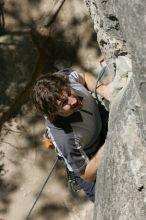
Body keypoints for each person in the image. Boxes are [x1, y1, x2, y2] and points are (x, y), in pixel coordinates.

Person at [32, 68, 112, 202]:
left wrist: (103, 90)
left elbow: (84, 77)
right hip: (89, 156)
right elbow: (86, 175)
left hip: (98, 121)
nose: (73, 100)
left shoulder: (64, 79)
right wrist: (108, 146)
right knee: (105, 201)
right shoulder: (64, 137)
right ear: (53, 113)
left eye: (69, 92)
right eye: (64, 103)